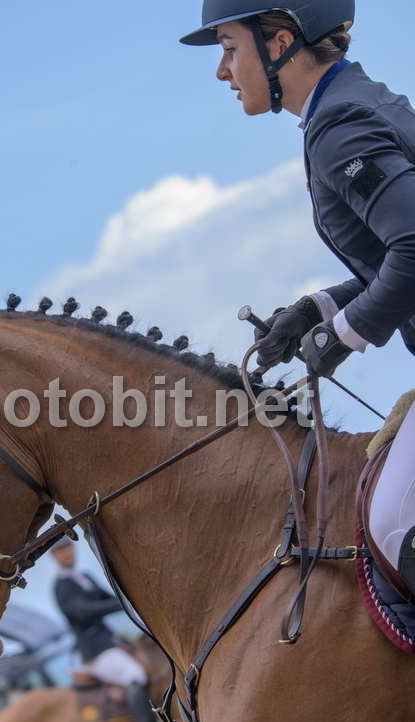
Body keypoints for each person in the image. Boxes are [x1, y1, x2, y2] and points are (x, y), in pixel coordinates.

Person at [181, 1, 415, 594]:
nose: (222, 70)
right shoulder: (360, 103)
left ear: (281, 42)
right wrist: (320, 309)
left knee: (392, 526)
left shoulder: (340, 125)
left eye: (229, 48)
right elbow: (393, 257)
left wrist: (346, 334)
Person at [50, 538, 168, 722]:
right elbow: (84, 611)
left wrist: (131, 595)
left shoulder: (84, 576)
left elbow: (110, 596)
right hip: (96, 651)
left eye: (68, 548)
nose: (67, 554)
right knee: (134, 675)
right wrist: (119, 603)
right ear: (54, 556)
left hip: (112, 643)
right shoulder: (61, 586)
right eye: (61, 551)